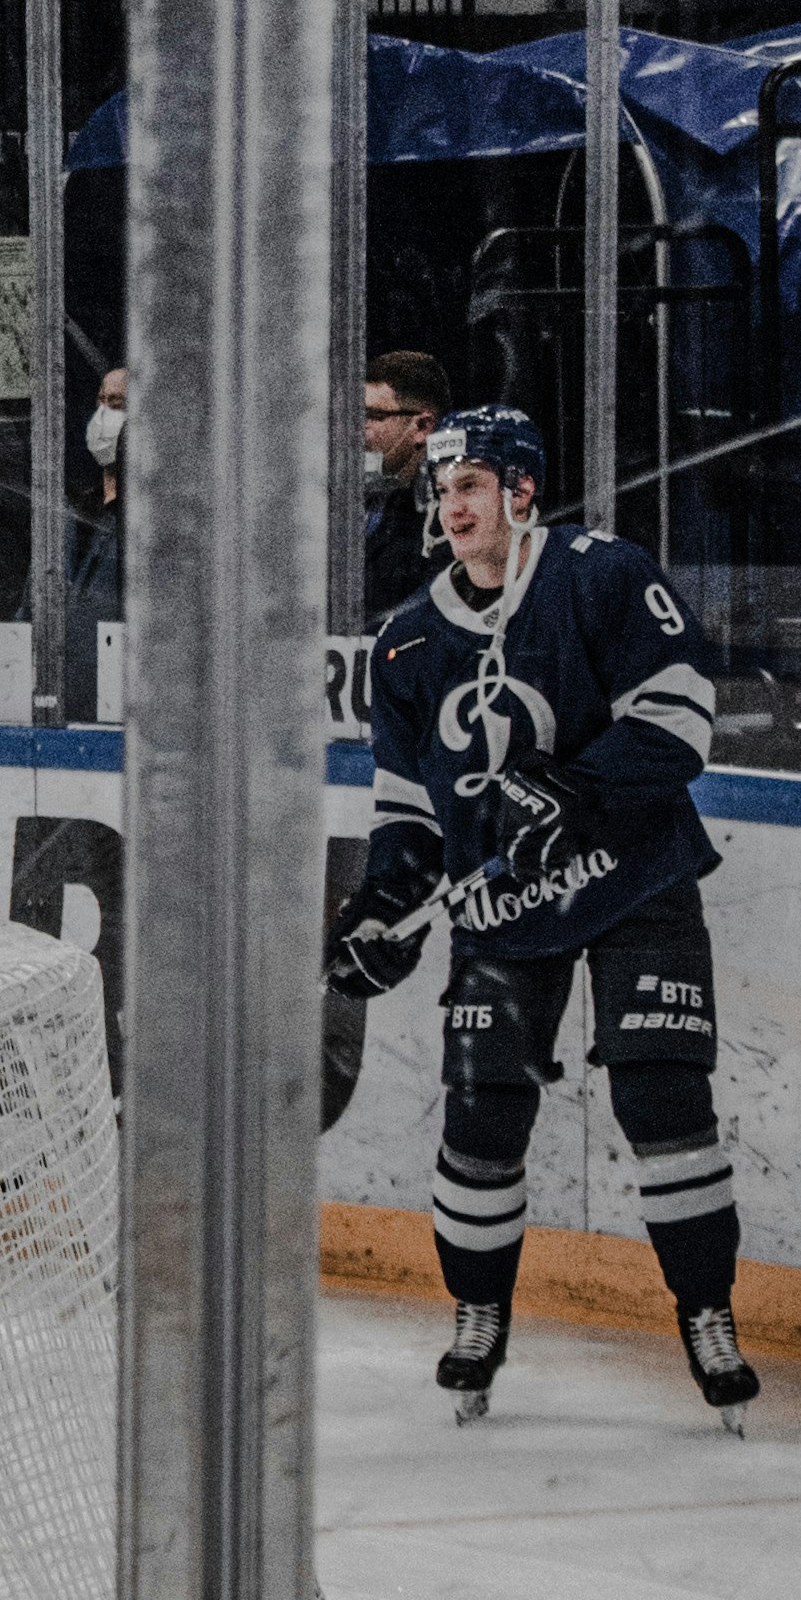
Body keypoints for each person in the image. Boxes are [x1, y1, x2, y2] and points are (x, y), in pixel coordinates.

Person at [327, 403, 755, 1424]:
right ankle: (479, 1311)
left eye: (470, 483)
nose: (451, 503)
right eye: (441, 487)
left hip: (638, 879)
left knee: (662, 1102)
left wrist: (575, 788)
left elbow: (682, 718)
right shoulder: (407, 643)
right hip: (506, 908)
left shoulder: (604, 574)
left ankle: (708, 1311)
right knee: (481, 1117)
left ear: (522, 490)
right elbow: (407, 813)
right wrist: (388, 900)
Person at [361, 345, 448, 623]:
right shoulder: (361, 501)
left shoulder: (447, 514)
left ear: (422, 427)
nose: (358, 429)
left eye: (373, 416)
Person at [64, 361, 124, 715]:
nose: (103, 415)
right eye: (100, 402)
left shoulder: (152, 519)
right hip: (71, 694)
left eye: (116, 405)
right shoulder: (76, 512)